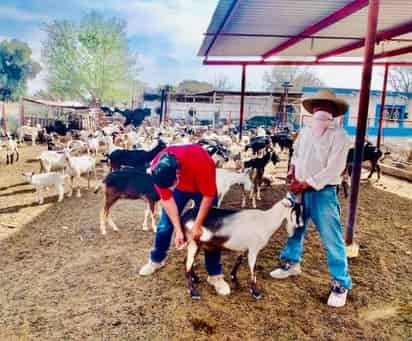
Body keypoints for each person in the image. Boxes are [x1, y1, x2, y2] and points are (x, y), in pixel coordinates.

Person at [270, 89, 352, 308]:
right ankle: (291, 263)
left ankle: (340, 283)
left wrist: (305, 183)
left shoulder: (340, 136)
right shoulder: (305, 132)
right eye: (317, 106)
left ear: (333, 111)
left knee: (331, 236)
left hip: (322, 193)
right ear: (312, 109)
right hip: (298, 189)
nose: (320, 109)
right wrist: (292, 172)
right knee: (294, 228)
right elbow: (296, 155)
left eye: (325, 106)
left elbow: (334, 168)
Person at [139, 144, 230, 296]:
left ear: (178, 173)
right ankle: (156, 259)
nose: (170, 188)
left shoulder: (201, 163)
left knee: (211, 229)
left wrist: (197, 226)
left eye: (172, 185)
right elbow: (167, 200)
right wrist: (179, 230)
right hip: (182, 187)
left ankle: (215, 274)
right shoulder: (157, 169)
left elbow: (208, 196)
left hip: (202, 188)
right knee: (164, 225)